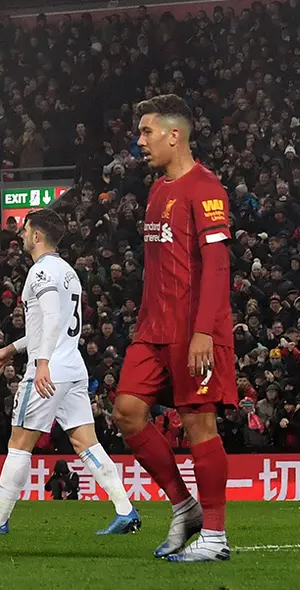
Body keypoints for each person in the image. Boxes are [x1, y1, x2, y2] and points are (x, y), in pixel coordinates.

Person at [0, 209, 139, 536]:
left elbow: (53, 319)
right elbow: (48, 325)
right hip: (72, 366)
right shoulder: (68, 272)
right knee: (87, 442)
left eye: (25, 230)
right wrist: (10, 349)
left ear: (37, 235)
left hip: (49, 370)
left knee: (18, 442)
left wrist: (41, 364)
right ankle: (125, 510)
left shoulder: (40, 273)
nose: (22, 236)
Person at [112, 95, 234, 562]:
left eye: (147, 132)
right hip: (153, 328)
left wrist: (204, 331)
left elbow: (218, 267)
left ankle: (216, 538)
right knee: (126, 410)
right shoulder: (158, 189)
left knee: (199, 422)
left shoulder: (206, 188)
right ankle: (184, 507)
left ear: (173, 135)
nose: (139, 142)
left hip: (194, 329)